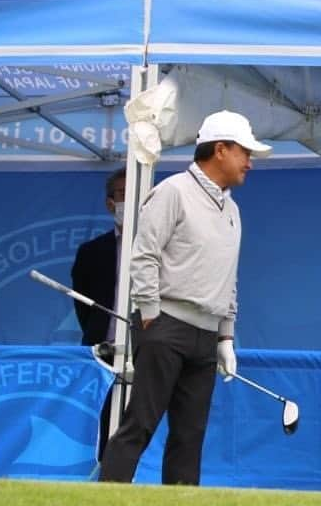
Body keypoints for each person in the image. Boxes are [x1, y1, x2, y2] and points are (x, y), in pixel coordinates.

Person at [99, 110, 271, 485]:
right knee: (141, 423)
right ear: (220, 149)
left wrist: (226, 336)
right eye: (245, 152)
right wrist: (149, 313)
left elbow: (229, 278)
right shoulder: (173, 191)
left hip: (206, 336)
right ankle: (104, 502)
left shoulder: (233, 210)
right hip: (166, 325)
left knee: (190, 436)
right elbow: (144, 255)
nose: (249, 163)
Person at [71, 168, 124, 463]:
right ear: (109, 203)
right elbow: (84, 306)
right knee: (101, 420)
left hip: (150, 350)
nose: (129, 201)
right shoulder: (92, 252)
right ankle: (103, 471)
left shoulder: (165, 249)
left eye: (136, 194)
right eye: (121, 195)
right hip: (102, 353)